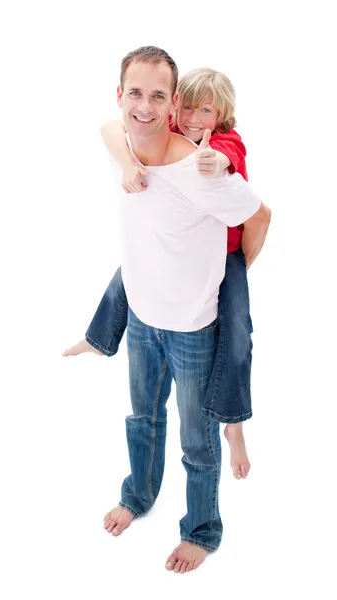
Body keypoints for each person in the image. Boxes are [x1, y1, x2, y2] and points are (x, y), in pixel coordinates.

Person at [63, 66, 271, 481]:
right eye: (188, 107)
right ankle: (99, 337)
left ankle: (234, 423)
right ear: (175, 106)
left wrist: (213, 160)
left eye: (206, 111)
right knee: (129, 273)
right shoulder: (170, 130)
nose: (194, 119)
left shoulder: (221, 144)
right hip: (174, 259)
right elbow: (110, 127)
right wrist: (126, 163)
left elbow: (235, 171)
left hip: (225, 256)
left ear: (223, 115)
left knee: (237, 336)